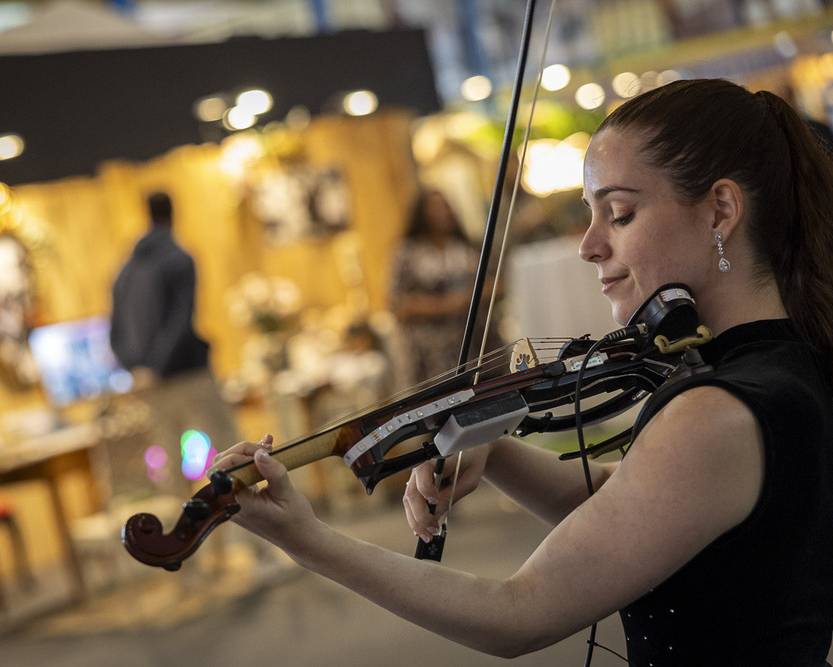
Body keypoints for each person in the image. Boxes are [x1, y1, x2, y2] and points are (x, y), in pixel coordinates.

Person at [210, 78, 833, 665]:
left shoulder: (719, 411)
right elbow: (616, 505)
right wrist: (492, 445)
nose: (589, 244)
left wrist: (308, 541)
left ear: (721, 210)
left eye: (618, 214)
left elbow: (519, 612)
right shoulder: (788, 371)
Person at [110, 191, 239, 497]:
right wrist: (155, 366)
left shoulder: (125, 271)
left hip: (149, 385)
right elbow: (181, 320)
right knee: (226, 455)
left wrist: (137, 369)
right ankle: (247, 539)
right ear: (172, 213)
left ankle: (186, 541)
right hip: (189, 374)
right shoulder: (179, 259)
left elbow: (114, 330)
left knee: (171, 469)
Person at [387, 188, 480, 384]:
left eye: (445, 205)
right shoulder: (408, 253)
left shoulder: (466, 246)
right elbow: (399, 305)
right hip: (431, 356)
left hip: (475, 344)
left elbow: (497, 282)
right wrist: (450, 303)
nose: (443, 212)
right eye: (435, 207)